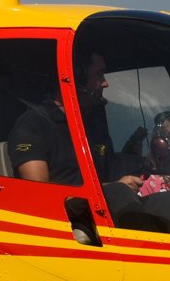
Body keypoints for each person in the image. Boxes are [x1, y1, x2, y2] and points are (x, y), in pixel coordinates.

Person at [10, 45, 113, 186]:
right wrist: (111, 189)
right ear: (78, 77)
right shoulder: (32, 124)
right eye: (99, 74)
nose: (105, 83)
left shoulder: (96, 129)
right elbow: (40, 190)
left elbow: (113, 175)